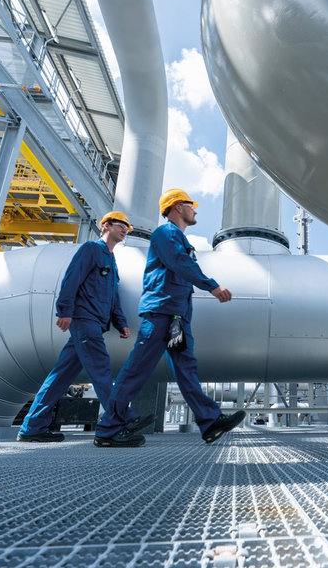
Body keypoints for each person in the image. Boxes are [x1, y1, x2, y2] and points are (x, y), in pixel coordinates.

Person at [93, 189, 246, 447]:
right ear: (177, 207)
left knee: (186, 369)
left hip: (176, 318)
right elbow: (180, 264)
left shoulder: (177, 237)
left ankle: (209, 423)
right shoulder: (165, 234)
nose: (195, 210)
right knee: (136, 370)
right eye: (191, 205)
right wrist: (212, 286)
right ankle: (108, 429)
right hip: (161, 314)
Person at [17, 211, 155, 442]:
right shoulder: (91, 250)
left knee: (60, 376)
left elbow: (113, 297)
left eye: (127, 228)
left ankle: (32, 427)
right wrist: (65, 311)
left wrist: (120, 323)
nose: (125, 230)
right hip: (84, 319)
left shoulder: (111, 261)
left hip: (95, 323)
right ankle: (118, 422)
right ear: (106, 226)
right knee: (100, 369)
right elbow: (71, 279)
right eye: (121, 225)